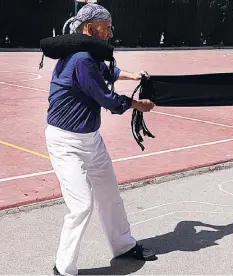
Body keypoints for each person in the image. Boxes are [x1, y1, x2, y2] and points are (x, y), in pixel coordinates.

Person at [45, 4, 157, 275]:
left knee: (109, 195)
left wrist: (132, 75)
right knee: (81, 205)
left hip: (90, 140)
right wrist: (137, 105)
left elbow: (107, 73)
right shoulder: (81, 57)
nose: (110, 33)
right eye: (106, 28)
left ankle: (123, 246)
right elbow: (106, 98)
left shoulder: (89, 55)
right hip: (65, 143)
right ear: (90, 28)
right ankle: (63, 267)